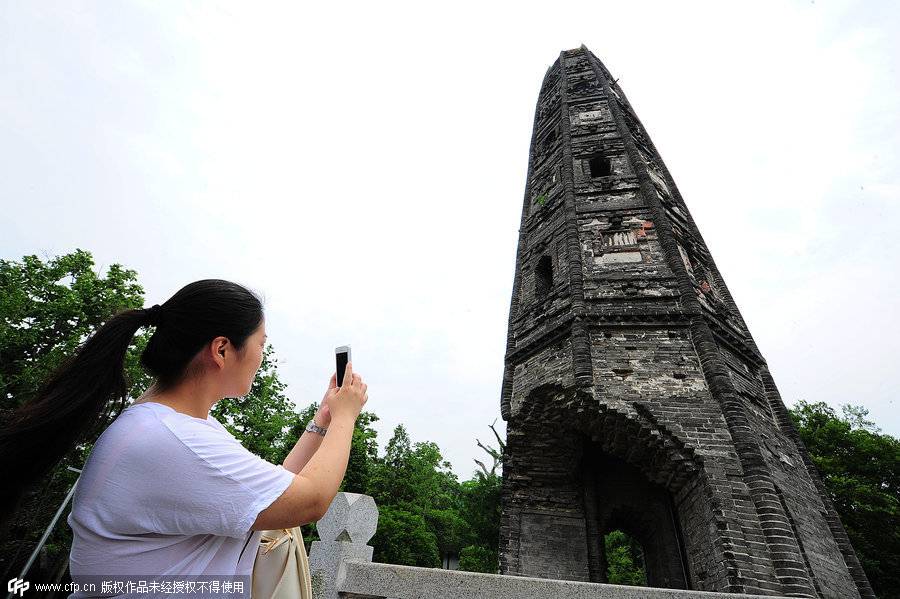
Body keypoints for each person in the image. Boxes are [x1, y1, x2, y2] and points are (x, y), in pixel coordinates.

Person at [0, 279, 368, 597]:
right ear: (222, 350)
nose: (261, 356)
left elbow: (274, 496)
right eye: (261, 344)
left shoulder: (167, 429)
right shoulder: (173, 442)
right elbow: (311, 501)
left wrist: (322, 422)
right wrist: (346, 417)